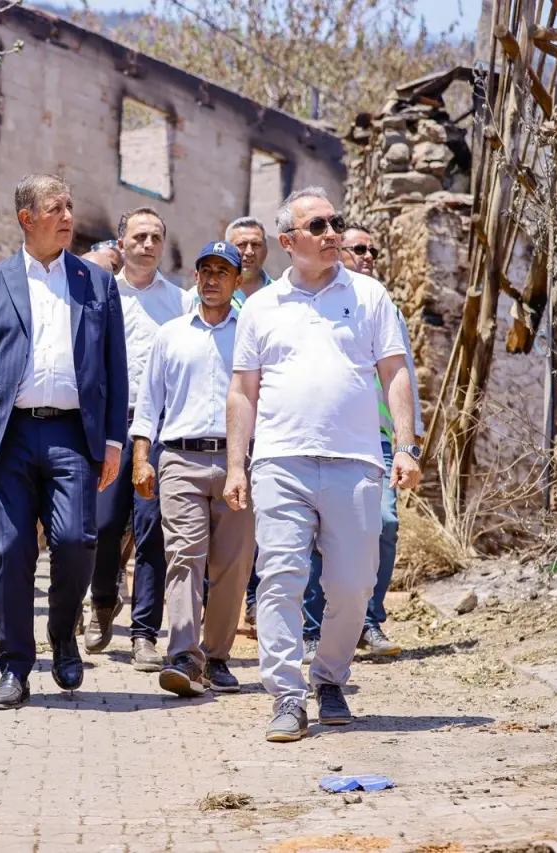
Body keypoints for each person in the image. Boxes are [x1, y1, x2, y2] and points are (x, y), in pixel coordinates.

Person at [224, 187, 421, 742]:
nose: (332, 232)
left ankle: (330, 677)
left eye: (336, 222)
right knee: (281, 579)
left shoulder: (369, 296)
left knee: (353, 584)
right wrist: (238, 465)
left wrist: (405, 445)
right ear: (288, 241)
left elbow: (395, 372)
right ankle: (287, 697)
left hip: (356, 460)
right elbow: (243, 390)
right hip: (280, 462)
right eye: (318, 225)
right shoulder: (261, 306)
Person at [0, 174, 128, 710]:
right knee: (10, 548)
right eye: (57, 208)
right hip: (9, 435)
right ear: (28, 219)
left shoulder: (96, 283)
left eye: (71, 206)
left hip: (75, 434)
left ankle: (63, 634)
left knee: (76, 540)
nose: (70, 217)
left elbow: (115, 371)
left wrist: (115, 441)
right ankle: (14, 666)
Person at [132, 240, 252, 697]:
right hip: (179, 458)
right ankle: (184, 655)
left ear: (237, 280)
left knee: (234, 564)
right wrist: (142, 458)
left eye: (224, 271)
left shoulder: (250, 336)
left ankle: (217, 656)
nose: (213, 278)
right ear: (196, 276)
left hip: (238, 460)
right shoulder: (171, 334)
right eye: (206, 270)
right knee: (184, 555)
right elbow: (149, 403)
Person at [298, 225, 424, 660]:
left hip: (381, 439)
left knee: (384, 525)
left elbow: (402, 373)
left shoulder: (385, 306)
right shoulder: (320, 305)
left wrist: (412, 437)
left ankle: (368, 619)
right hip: (330, 436)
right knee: (320, 534)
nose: (368, 255)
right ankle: (313, 629)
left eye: (373, 248)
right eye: (359, 248)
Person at [85, 207, 192, 671]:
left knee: (153, 532)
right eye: (139, 236)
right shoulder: (103, 296)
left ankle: (145, 633)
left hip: (164, 430)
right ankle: (103, 601)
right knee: (104, 526)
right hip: (113, 425)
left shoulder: (181, 302)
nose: (147, 245)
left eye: (155, 237)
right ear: (121, 243)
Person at [224, 216, 273, 636]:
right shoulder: (206, 296)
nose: (248, 251)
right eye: (240, 244)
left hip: (272, 423)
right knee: (226, 515)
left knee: (264, 517)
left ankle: (257, 600)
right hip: (224, 421)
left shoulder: (285, 297)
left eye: (255, 244)